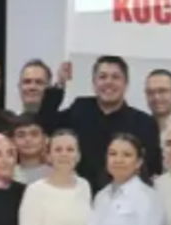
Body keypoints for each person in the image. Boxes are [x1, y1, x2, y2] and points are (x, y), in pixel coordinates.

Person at [39, 57, 162, 187]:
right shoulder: (80, 108)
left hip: (124, 194)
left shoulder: (144, 123)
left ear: (126, 84)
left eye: (115, 77)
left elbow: (152, 167)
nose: (108, 82)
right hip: (79, 191)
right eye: (102, 77)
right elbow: (47, 123)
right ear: (94, 83)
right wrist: (60, 84)